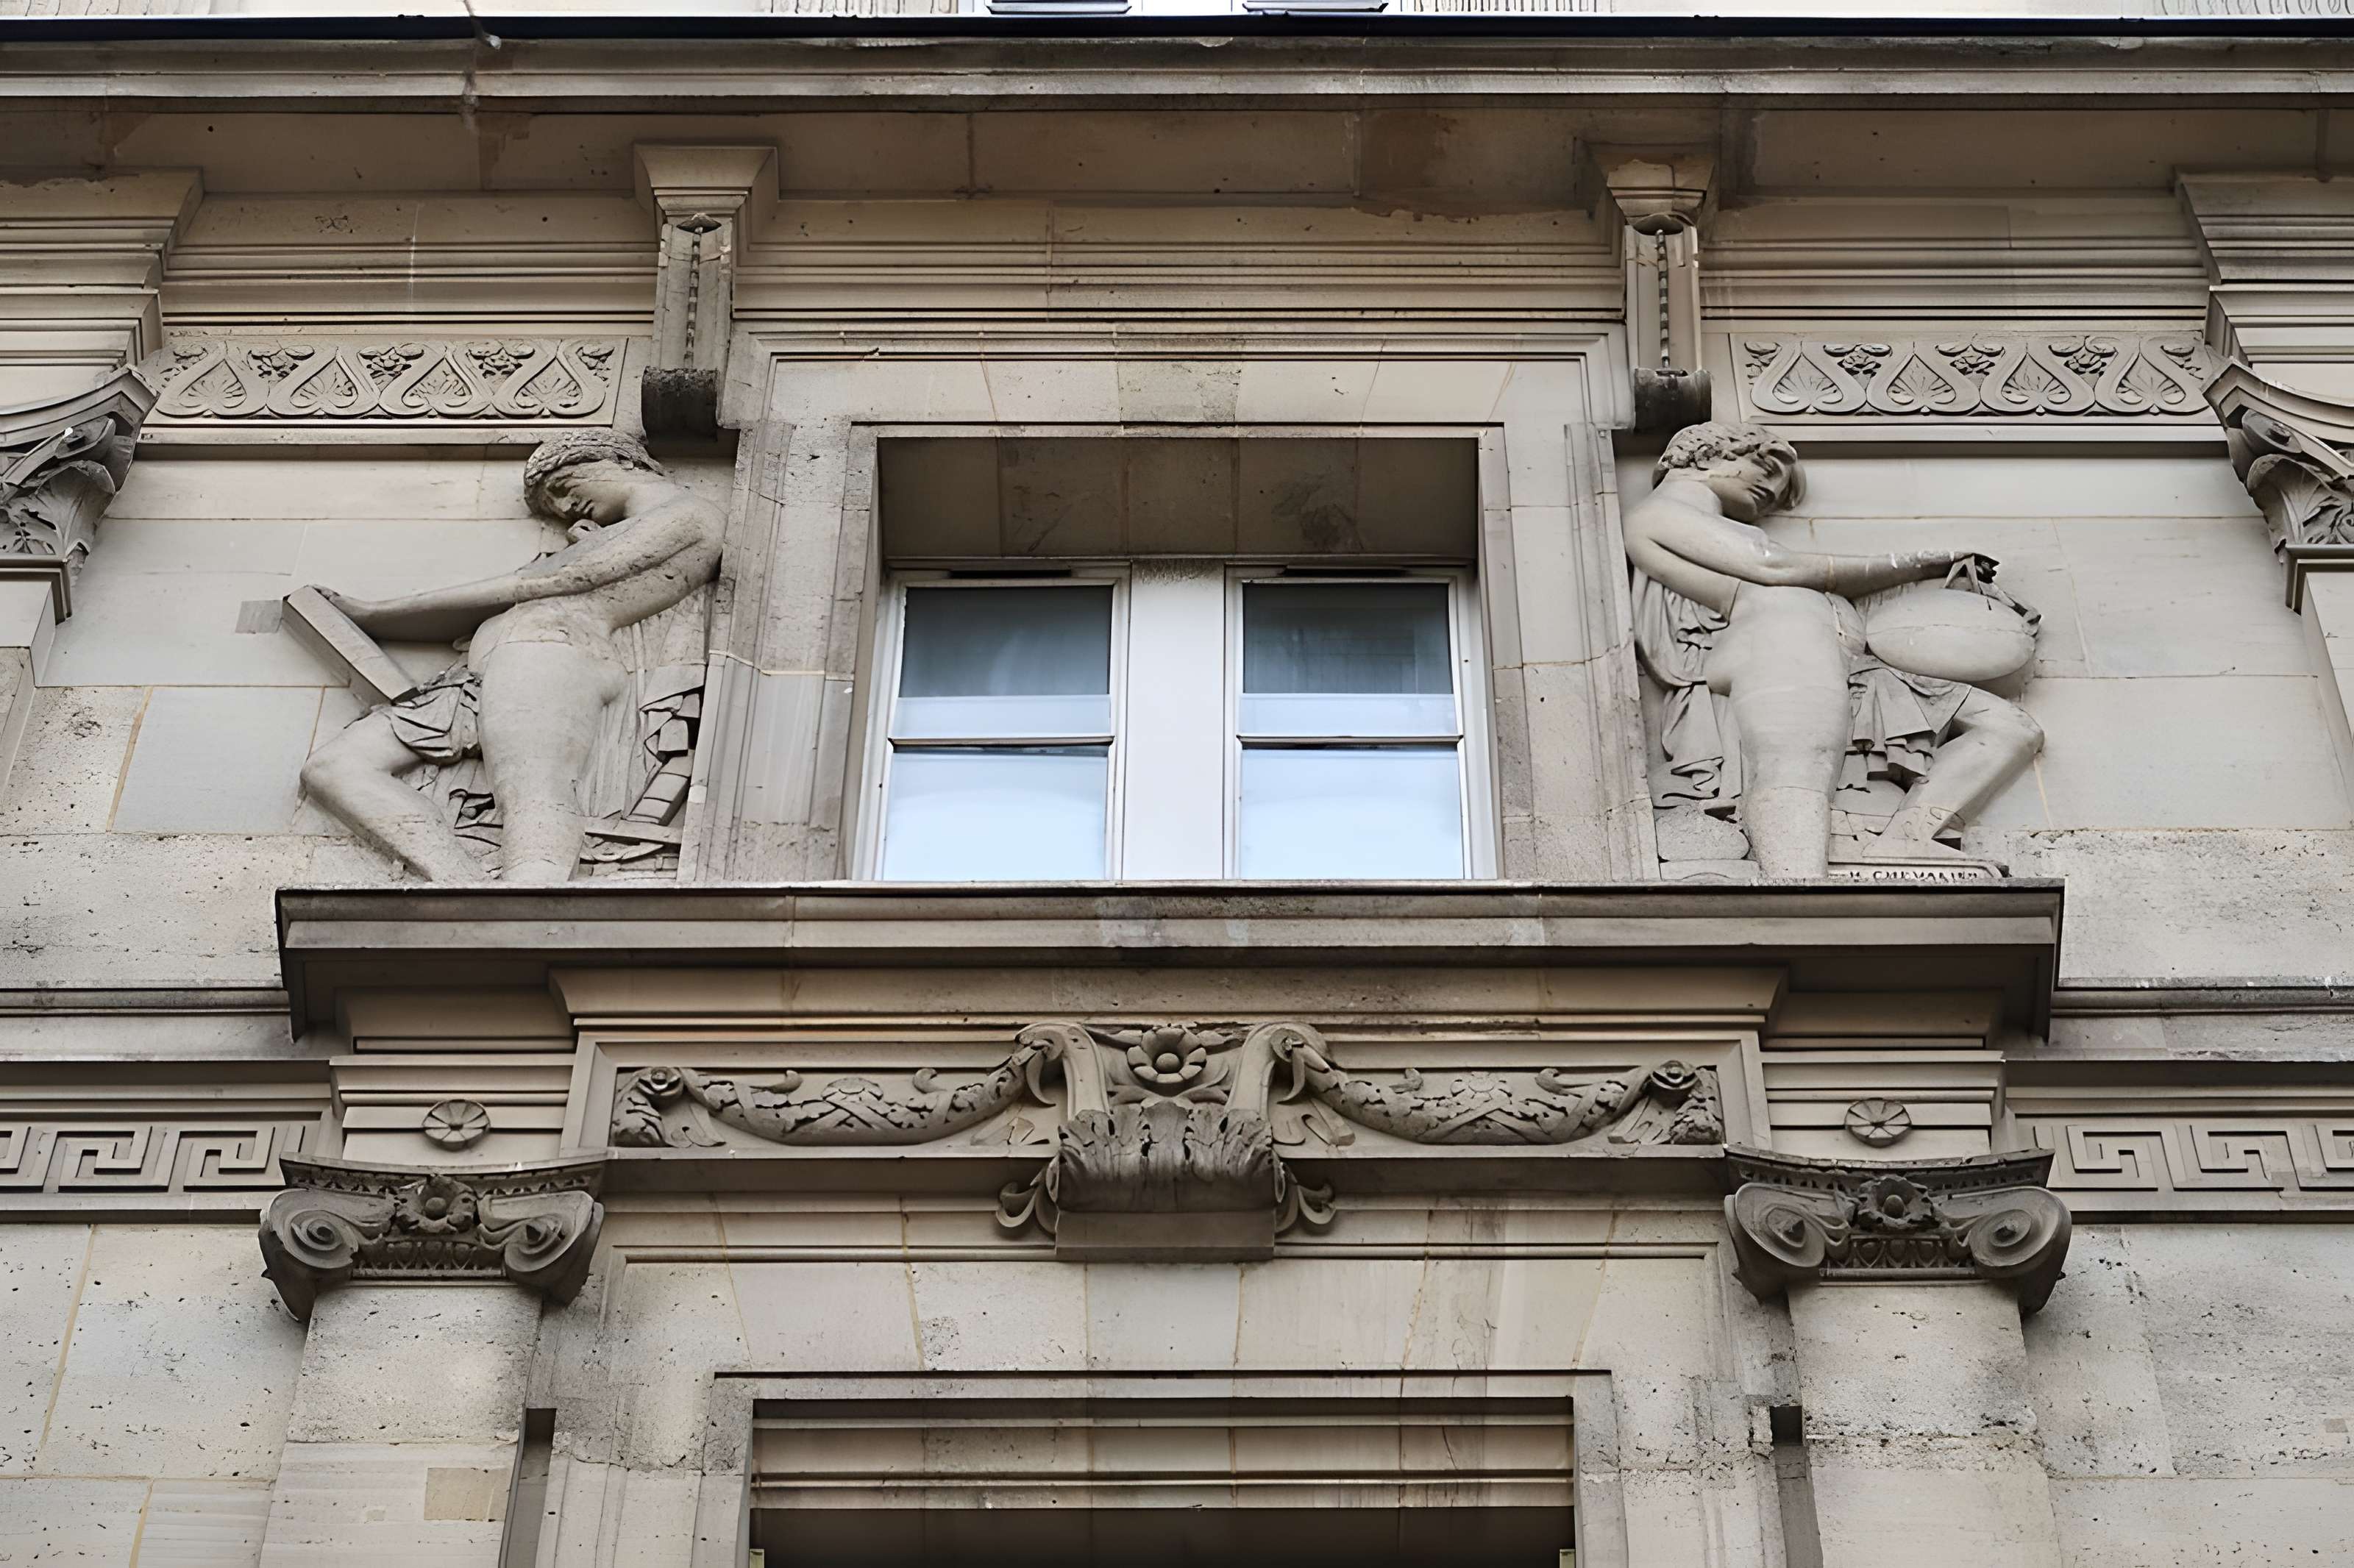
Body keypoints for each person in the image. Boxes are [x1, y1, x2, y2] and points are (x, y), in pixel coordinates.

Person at [299, 430, 724, 883]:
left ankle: (531, 891)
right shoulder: (611, 533)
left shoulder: (689, 514)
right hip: (485, 668)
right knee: (335, 768)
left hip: (549, 653)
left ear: (620, 462)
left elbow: (557, 580)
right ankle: (466, 889)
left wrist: (379, 611)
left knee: (531, 790)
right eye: (551, 505)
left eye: (564, 486)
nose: (562, 509)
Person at [1624, 421, 2040, 877]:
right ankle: (1798, 891)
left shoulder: (1707, 524)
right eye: (1762, 466)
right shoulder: (1661, 512)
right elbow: (1777, 567)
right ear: (1704, 456)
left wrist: (1961, 602)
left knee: (2007, 727)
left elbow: (1805, 578)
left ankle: (1904, 841)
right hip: (1781, 648)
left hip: (1832, 652)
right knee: (1797, 771)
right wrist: (1921, 561)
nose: (1771, 488)